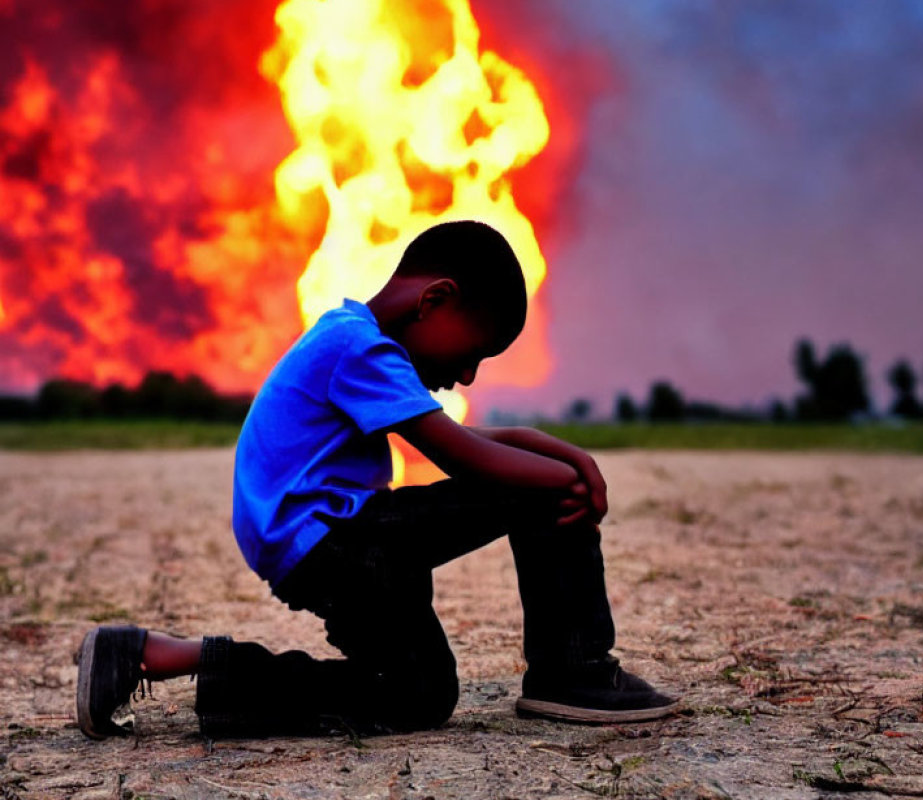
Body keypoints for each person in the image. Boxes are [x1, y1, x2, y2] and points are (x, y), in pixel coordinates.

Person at [76, 220, 678, 740]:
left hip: (333, 548)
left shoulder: (354, 339)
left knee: (415, 693)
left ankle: (153, 655)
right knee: (546, 489)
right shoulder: (359, 348)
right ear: (435, 299)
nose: (467, 374)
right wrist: (571, 478)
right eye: (475, 351)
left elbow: (464, 442)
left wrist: (549, 446)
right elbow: (465, 458)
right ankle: (575, 671)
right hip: (337, 543)